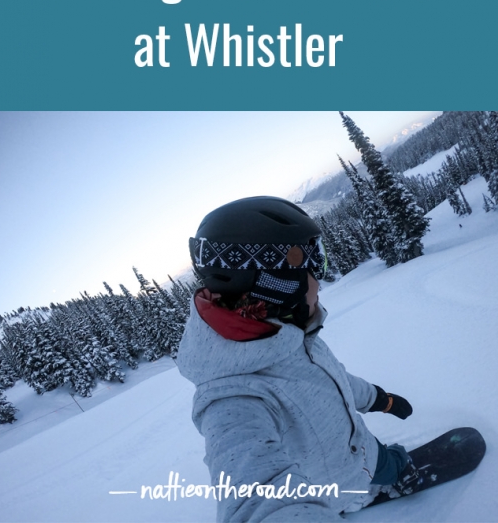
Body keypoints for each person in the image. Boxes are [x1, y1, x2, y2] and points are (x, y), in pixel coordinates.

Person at [177, 196, 419, 521]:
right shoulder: (231, 396)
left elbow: (334, 380)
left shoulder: (288, 331)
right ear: (277, 282)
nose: (320, 277)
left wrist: (380, 399)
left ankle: (392, 471)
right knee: (393, 467)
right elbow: (254, 491)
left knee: (389, 461)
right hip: (333, 487)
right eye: (312, 264)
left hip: (361, 447)